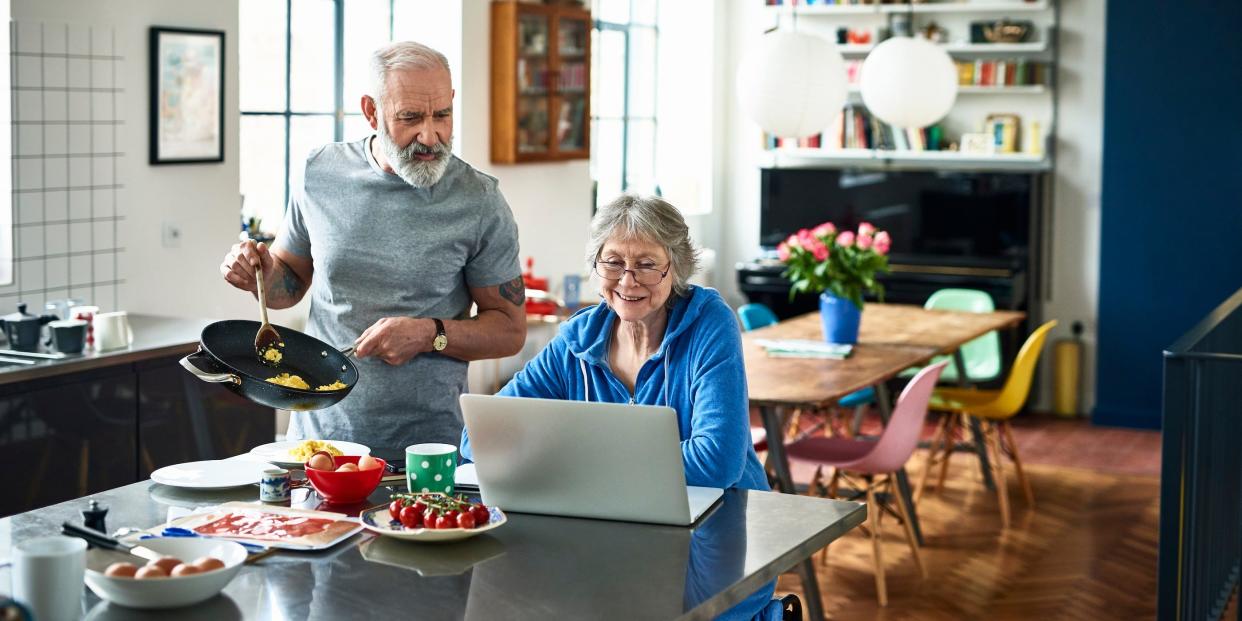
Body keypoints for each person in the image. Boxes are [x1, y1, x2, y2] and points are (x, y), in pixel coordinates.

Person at [461, 193, 781, 620]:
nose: (628, 281)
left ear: (676, 268)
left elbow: (717, 460)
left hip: (714, 546)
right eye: (613, 263)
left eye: (647, 264)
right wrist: (609, 465)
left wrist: (570, 460)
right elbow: (480, 439)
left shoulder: (709, 324)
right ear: (596, 266)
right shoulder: (578, 339)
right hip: (610, 546)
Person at [220, 41, 526, 449]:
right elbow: (288, 286)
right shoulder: (320, 172)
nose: (430, 135)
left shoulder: (479, 200)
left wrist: (429, 333)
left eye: (443, 115)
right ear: (371, 112)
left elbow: (509, 330)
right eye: (410, 117)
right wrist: (259, 274)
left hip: (427, 451)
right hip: (318, 444)